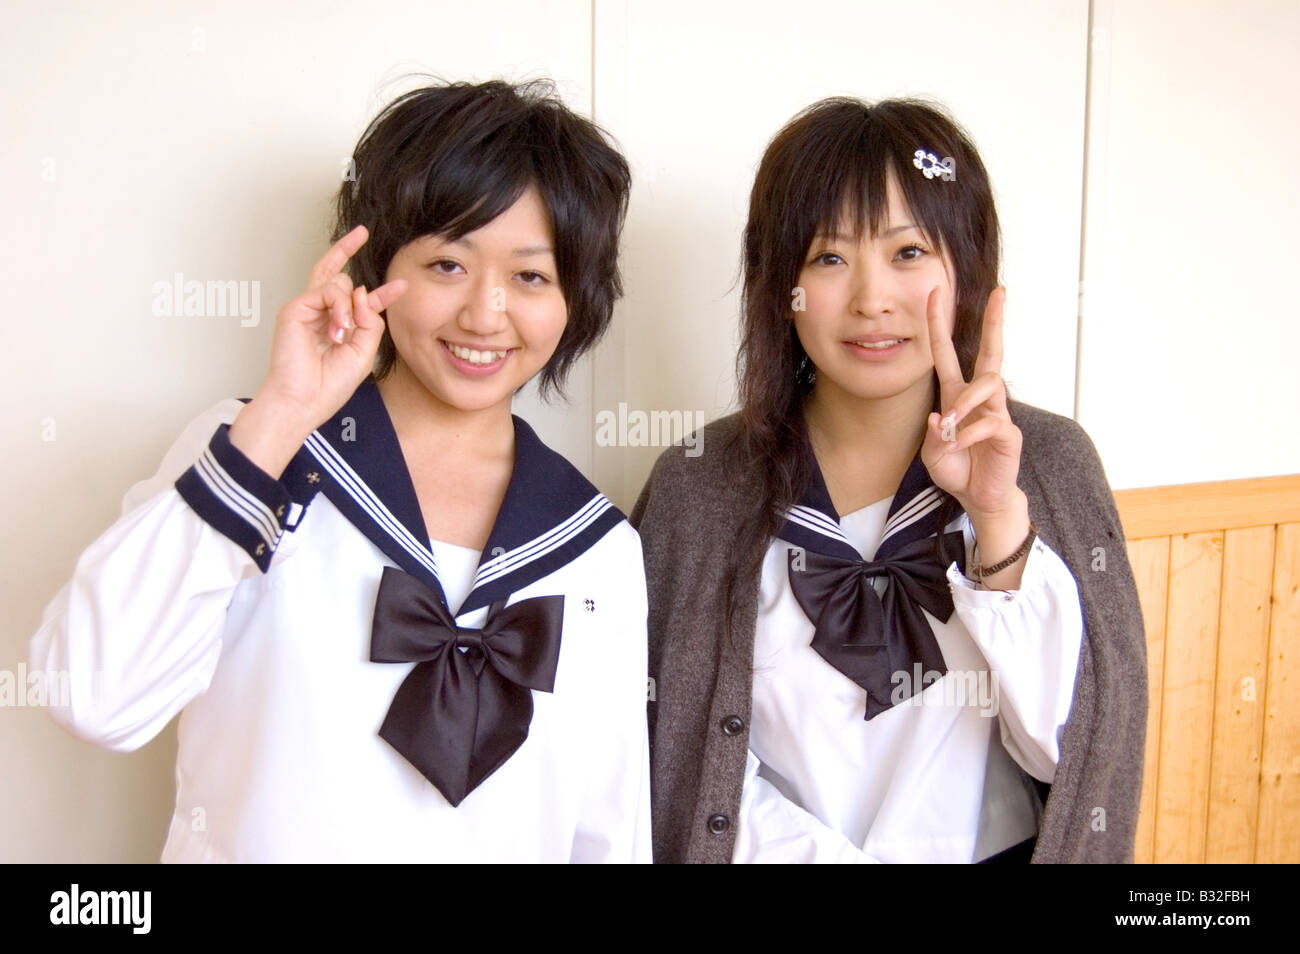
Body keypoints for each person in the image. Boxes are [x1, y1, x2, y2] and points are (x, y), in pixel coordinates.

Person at [30, 79, 650, 862]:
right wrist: (285, 414)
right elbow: (91, 697)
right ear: (376, 266)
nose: (487, 314)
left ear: (575, 301)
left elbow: (609, 833)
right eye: (447, 265)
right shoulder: (255, 450)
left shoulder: (598, 546)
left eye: (531, 276)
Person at [631, 97, 1147, 863]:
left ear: (966, 270)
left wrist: (999, 519)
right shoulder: (698, 487)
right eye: (829, 258)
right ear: (783, 286)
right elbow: (668, 760)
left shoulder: (1051, 459)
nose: (872, 299)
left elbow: (1078, 763)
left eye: (908, 253)